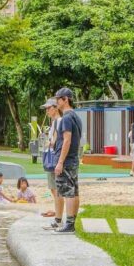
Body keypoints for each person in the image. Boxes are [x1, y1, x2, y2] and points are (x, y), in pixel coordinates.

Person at [51, 87, 82, 233]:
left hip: (67, 160)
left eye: (58, 99)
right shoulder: (76, 116)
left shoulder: (67, 118)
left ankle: (69, 224)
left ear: (66, 99)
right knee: (74, 191)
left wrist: (60, 162)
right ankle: (72, 221)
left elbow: (67, 140)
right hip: (73, 159)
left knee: (68, 192)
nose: (56, 101)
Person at [41, 99, 62, 218]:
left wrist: (48, 143)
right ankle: (57, 211)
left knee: (55, 187)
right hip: (55, 157)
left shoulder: (58, 122)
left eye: (48, 108)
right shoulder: (56, 122)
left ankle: (58, 214)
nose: (47, 111)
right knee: (53, 188)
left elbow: (55, 141)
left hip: (54, 157)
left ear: (55, 108)